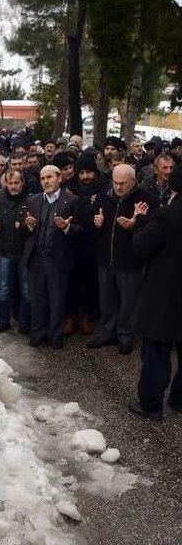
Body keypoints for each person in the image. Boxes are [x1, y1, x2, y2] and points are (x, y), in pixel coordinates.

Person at [128, 165, 182, 421]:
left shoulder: (166, 216)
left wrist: (140, 221)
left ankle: (151, 405)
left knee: (157, 354)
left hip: (165, 297)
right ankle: (179, 399)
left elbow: (141, 248)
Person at [87, 164, 158, 355]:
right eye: (115, 182)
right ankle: (108, 331)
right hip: (105, 257)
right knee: (107, 298)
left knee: (129, 300)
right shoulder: (105, 195)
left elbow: (153, 232)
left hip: (130, 261)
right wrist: (97, 223)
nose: (118, 187)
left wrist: (135, 224)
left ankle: (125, 334)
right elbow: (91, 218)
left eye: (122, 183)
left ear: (133, 181)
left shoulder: (146, 199)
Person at [22, 165, 81, 349]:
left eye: (49, 177)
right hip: (37, 257)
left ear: (59, 178)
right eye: (42, 178)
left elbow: (81, 230)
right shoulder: (32, 200)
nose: (46, 181)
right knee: (37, 298)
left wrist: (66, 227)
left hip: (58, 258)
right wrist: (29, 226)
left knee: (57, 299)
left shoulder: (72, 200)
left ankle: (55, 334)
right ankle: (38, 332)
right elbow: (24, 232)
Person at [63, 155, 108, 335]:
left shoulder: (103, 190)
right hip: (72, 244)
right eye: (81, 172)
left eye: (88, 172)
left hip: (93, 245)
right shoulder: (70, 189)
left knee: (90, 284)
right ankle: (71, 316)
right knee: (71, 283)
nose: (85, 177)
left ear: (95, 172)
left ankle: (86, 316)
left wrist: (100, 223)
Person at [0, 170, 30, 334]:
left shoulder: (31, 199)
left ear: (22, 183)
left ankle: (25, 321)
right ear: (5, 183)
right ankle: (3, 320)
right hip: (4, 250)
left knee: (26, 289)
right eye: (10, 183)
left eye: (16, 182)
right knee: (4, 288)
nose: (13, 186)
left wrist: (26, 227)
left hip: (24, 252)